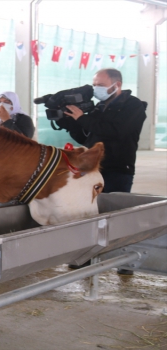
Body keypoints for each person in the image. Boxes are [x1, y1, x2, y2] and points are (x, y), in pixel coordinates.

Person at [56, 68, 147, 275]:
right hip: (92, 168)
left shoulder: (133, 106)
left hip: (117, 168)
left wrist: (83, 118)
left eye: (100, 85)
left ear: (117, 85)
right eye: (94, 84)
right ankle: (85, 257)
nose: (96, 88)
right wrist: (68, 121)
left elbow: (117, 131)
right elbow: (87, 136)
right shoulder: (98, 108)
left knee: (116, 214)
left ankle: (125, 259)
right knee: (89, 212)